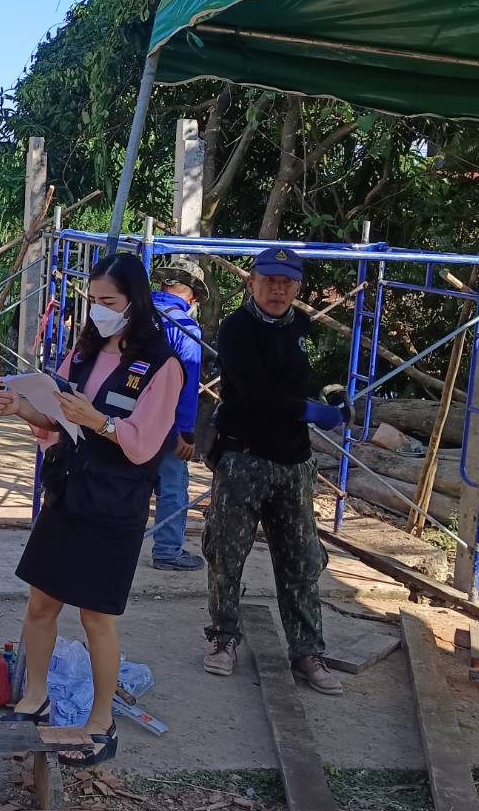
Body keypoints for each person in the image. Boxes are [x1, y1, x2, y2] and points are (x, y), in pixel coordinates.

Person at [0, 253, 182, 766]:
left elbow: (144, 445)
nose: (98, 311)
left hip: (114, 504)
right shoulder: (83, 352)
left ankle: (101, 722)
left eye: (109, 302)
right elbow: (55, 415)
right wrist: (21, 406)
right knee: (40, 603)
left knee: (97, 617)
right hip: (68, 493)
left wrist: (100, 421)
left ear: (135, 302)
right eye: (93, 301)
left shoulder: (162, 366)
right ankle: (34, 699)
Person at [202, 248, 347, 694]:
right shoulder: (236, 329)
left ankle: (307, 651)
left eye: (287, 282)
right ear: (251, 282)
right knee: (227, 553)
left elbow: (312, 376)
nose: (278, 289)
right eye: (269, 280)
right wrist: (309, 410)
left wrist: (337, 394)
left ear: (298, 287)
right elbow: (255, 392)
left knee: (302, 561)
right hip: (244, 457)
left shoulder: (300, 328)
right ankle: (225, 637)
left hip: (294, 462)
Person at [148, 256, 209, 571]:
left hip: (127, 418)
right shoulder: (183, 326)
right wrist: (186, 431)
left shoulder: (135, 314)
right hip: (168, 423)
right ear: (193, 296)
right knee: (172, 486)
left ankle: (114, 543)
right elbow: (189, 380)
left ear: (161, 284)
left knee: (130, 481)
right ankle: (168, 551)